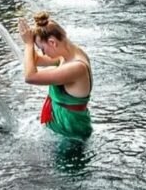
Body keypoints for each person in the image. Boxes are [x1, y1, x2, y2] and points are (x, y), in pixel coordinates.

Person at [18, 11, 92, 140]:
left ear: (52, 42)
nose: (43, 53)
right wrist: (29, 39)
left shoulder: (77, 67)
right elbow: (35, 60)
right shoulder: (67, 55)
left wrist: (29, 44)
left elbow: (30, 76)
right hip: (63, 127)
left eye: (42, 48)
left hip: (71, 133)